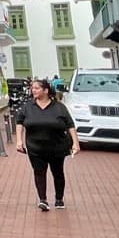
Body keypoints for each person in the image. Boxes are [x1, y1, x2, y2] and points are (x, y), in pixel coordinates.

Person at [15, 78, 79, 211]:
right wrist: (19, 141)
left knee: (58, 172)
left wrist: (75, 143)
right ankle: (43, 199)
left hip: (57, 146)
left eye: (37, 88)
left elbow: (70, 125)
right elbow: (19, 122)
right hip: (35, 147)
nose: (34, 91)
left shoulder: (59, 107)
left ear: (46, 90)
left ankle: (59, 199)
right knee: (39, 172)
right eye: (33, 88)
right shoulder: (28, 107)